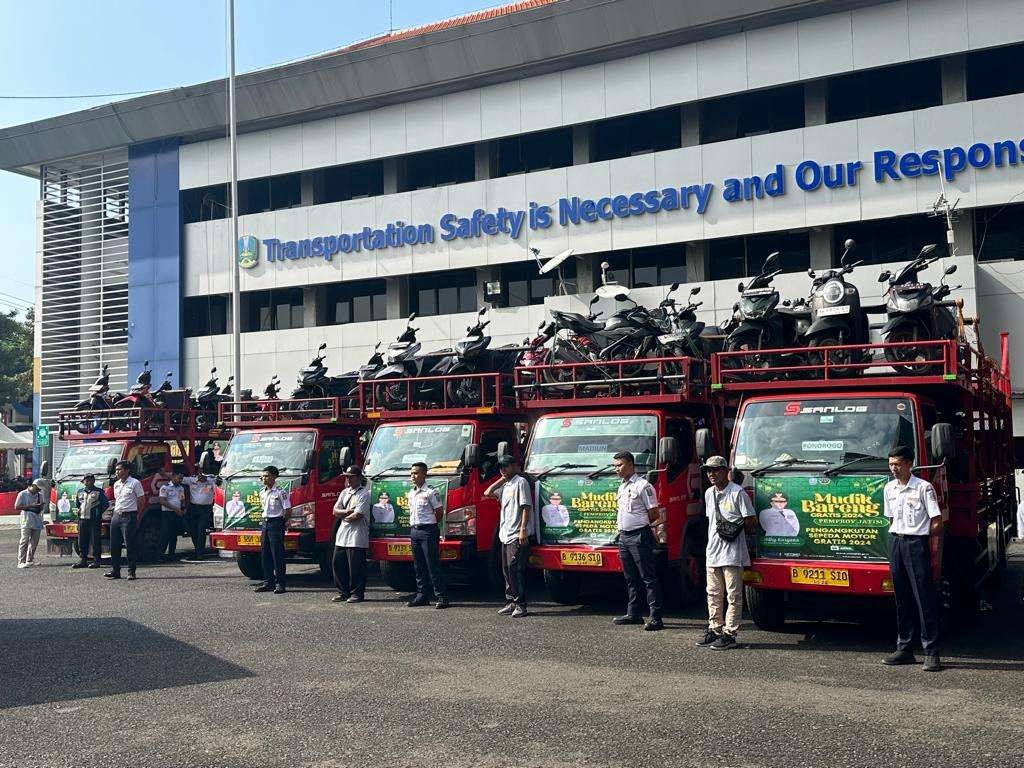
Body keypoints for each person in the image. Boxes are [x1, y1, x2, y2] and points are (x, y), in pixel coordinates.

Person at [882, 445, 943, 672]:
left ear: (910, 463)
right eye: (890, 465)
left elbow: (936, 520)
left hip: (917, 544)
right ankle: (904, 648)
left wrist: (926, 542)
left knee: (924, 598)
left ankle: (931, 652)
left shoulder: (923, 488)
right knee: (902, 598)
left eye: (897, 464)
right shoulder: (889, 489)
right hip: (896, 542)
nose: (894, 469)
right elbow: (890, 519)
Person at [697, 456, 756, 650]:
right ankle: (715, 629)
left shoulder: (738, 493)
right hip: (713, 552)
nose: (711, 474)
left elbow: (750, 521)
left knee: (733, 596)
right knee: (713, 594)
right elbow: (711, 521)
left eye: (715, 470)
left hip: (732, 553)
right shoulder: (708, 493)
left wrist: (734, 528)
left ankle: (730, 634)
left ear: (725, 471)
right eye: (708, 471)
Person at [612, 451, 664, 631]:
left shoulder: (643, 486)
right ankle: (633, 613)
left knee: (648, 577)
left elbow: (654, 513)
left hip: (639, 535)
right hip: (624, 537)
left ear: (631, 465)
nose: (616, 469)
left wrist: (643, 528)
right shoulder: (622, 486)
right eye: (615, 466)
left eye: (619, 465)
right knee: (630, 577)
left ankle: (656, 617)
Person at [484, 456, 533, 618]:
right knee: (505, 569)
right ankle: (510, 601)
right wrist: (501, 479)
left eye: (506, 466)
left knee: (514, 568)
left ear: (514, 466)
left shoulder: (520, 482)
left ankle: (521, 604)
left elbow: (525, 506)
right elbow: (488, 492)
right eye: (501, 467)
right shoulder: (506, 485)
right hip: (505, 533)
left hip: (516, 533)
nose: (503, 469)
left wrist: (523, 529)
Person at [405, 462, 448, 609]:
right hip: (415, 531)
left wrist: (430, 525)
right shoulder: (411, 493)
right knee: (419, 565)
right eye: (411, 473)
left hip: (428, 531)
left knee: (432, 564)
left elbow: (439, 511)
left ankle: (441, 596)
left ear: (424, 474)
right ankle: (422, 595)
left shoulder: (430, 492)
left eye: (416, 473)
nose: (413, 476)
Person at [331, 466, 371, 604]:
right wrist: (347, 512)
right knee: (338, 562)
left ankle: (357, 593)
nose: (348, 479)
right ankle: (343, 592)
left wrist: (344, 515)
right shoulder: (344, 492)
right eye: (347, 477)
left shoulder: (364, 494)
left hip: (356, 535)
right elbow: (335, 510)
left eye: (351, 476)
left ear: (359, 477)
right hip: (342, 534)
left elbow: (358, 515)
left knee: (356, 566)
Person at [254, 465, 291, 595]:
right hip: (265, 523)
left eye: (266, 476)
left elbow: (287, 510)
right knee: (265, 554)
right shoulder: (262, 492)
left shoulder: (281, 492)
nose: (263, 478)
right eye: (262, 476)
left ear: (274, 477)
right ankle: (268, 582)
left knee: (277, 554)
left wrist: (282, 523)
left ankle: (280, 583)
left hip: (276, 523)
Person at [107, 461, 145, 580]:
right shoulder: (116, 484)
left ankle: (131, 571)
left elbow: (141, 499)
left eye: (119, 469)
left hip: (129, 516)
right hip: (117, 516)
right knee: (114, 545)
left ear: (127, 470)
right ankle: (115, 570)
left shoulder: (135, 483)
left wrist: (137, 514)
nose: (117, 472)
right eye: (116, 470)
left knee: (130, 545)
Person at [72, 474, 108, 569]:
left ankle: (97, 561)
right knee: (82, 541)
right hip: (82, 520)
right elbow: (77, 504)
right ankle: (83, 560)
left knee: (95, 541)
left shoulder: (99, 492)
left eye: (89, 480)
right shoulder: (80, 492)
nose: (87, 482)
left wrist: (97, 513)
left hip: (94, 521)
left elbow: (105, 504)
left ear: (93, 481)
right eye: (85, 480)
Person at [184, 470, 216, 558]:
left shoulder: (210, 481)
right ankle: (197, 550)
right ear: (198, 475)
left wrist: (212, 481)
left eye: (204, 476)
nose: (202, 478)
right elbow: (177, 478)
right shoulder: (191, 480)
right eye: (201, 475)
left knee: (201, 529)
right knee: (193, 530)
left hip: (205, 509)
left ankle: (199, 553)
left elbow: (217, 489)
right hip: (193, 508)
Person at [158, 470, 187, 562]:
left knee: (174, 535)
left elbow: (182, 499)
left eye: (181, 478)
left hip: (177, 514)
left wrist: (183, 508)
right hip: (168, 513)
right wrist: (175, 509)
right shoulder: (165, 487)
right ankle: (160, 556)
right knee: (164, 535)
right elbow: (162, 501)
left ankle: (172, 555)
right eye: (179, 478)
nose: (180, 480)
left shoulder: (181, 488)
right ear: (173, 477)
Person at [15, 479, 45, 568]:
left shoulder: (40, 495)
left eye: (40, 490)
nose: (38, 491)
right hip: (26, 520)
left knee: (34, 542)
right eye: (37, 489)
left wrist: (42, 518)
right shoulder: (23, 494)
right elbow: (16, 506)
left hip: (37, 521)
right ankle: (21, 561)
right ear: (33, 485)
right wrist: (31, 506)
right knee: (24, 540)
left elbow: (42, 508)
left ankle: (30, 560)